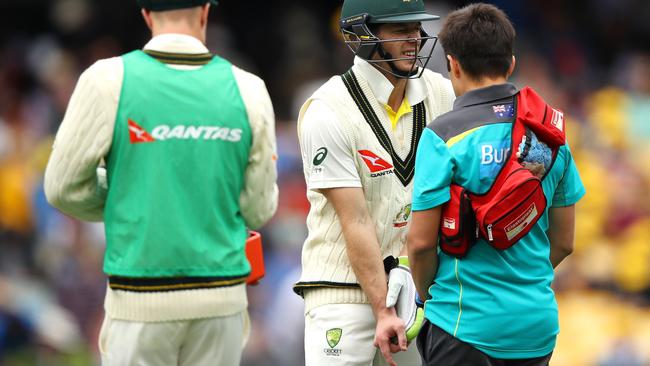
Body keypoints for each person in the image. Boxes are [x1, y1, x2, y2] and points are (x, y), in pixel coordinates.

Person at [43, 0, 278, 364]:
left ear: (147, 15)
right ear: (204, 12)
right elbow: (258, 207)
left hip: (139, 297)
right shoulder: (248, 87)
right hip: (222, 300)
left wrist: (130, 197)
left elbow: (62, 188)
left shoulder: (107, 79)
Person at [407, 3, 585, 366]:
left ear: (452, 64)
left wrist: (428, 296)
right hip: (536, 331)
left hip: (463, 326)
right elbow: (564, 243)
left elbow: (421, 243)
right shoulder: (551, 134)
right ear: (512, 63)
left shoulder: (442, 136)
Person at [292, 0, 455, 364]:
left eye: (416, 28)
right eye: (400, 30)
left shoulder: (441, 93)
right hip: (342, 295)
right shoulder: (327, 110)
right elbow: (356, 220)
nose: (414, 39)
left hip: (412, 294)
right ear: (362, 35)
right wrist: (382, 310)